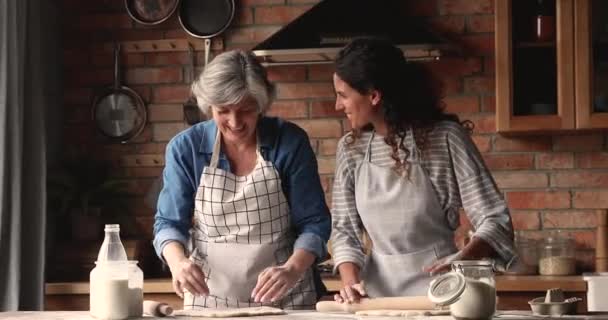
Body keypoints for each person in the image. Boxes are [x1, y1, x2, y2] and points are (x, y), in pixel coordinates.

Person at [329, 37, 516, 303]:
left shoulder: (446, 139)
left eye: (343, 95)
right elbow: (344, 229)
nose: (338, 105)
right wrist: (351, 284)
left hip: (442, 292)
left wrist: (461, 260)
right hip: (375, 301)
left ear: (373, 95)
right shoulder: (351, 150)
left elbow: (495, 219)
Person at [153, 50, 331, 309]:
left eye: (246, 110)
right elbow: (168, 222)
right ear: (208, 106)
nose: (235, 122)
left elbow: (314, 222)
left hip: (286, 296)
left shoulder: (289, 142)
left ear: (261, 105)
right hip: (209, 296)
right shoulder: (186, 148)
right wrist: (178, 263)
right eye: (223, 111)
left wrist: (293, 268)